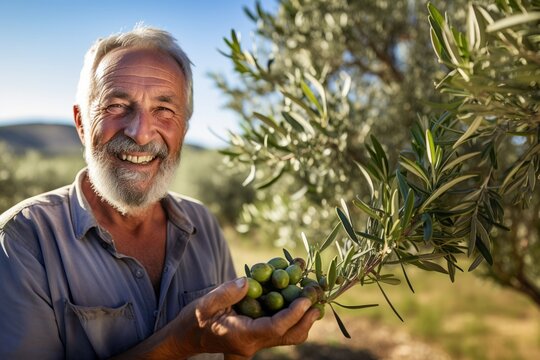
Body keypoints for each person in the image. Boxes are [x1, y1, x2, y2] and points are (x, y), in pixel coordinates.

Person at [0, 26, 319, 359]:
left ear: (183, 129)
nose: (140, 134)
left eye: (164, 110)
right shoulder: (22, 240)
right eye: (116, 106)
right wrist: (181, 342)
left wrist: (244, 343)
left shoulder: (203, 225)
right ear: (81, 123)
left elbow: (229, 347)